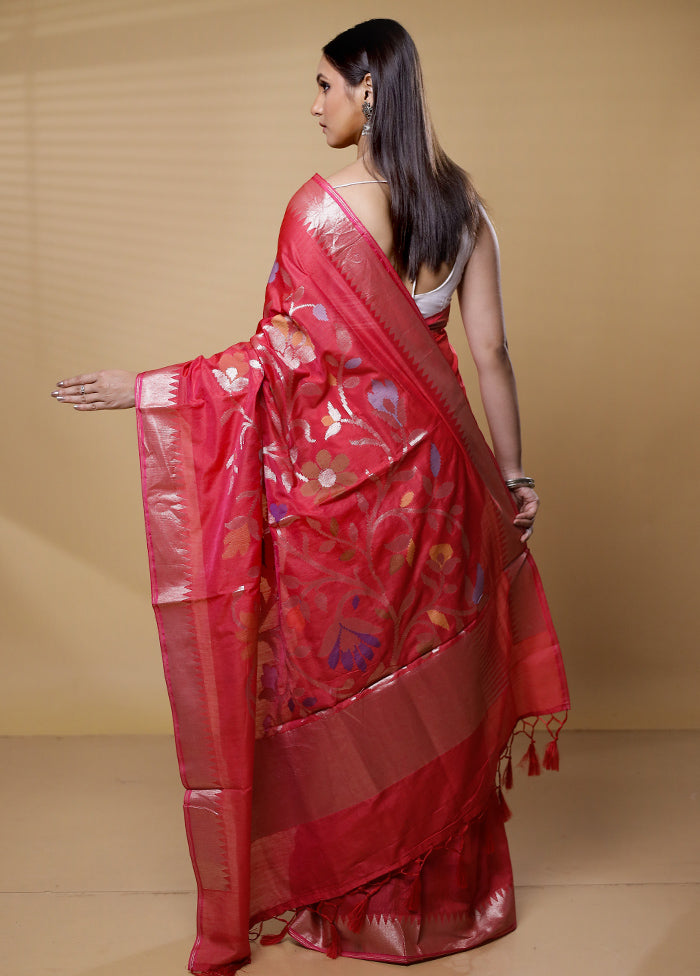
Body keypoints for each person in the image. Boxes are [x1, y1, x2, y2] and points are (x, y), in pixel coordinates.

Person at [51, 19, 569, 976]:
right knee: (435, 682)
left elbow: (281, 358)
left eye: (325, 85)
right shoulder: (468, 212)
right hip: (445, 493)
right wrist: (514, 479)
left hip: (351, 507)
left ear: (370, 90)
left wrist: (152, 388)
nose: (315, 103)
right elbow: (490, 354)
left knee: (354, 681)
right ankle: (448, 904)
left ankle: (361, 901)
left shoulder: (322, 210)